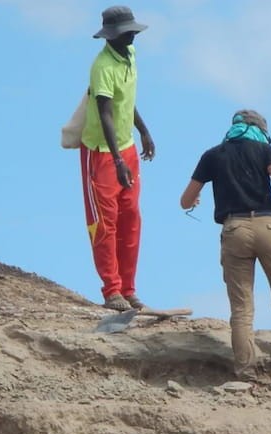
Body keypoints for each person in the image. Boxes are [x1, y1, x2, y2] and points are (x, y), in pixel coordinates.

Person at [179, 110, 271, 393]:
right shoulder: (265, 149)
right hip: (269, 225)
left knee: (242, 306)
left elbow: (185, 201)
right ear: (260, 129)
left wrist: (195, 197)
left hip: (234, 229)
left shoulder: (213, 155)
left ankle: (245, 374)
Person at [79, 6, 155, 312]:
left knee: (131, 219)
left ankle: (129, 288)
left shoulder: (130, 56)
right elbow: (106, 114)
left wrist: (144, 131)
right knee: (104, 223)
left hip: (125, 147)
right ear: (112, 36)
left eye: (133, 30)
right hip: (101, 152)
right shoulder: (102, 67)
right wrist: (117, 161)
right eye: (128, 31)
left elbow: (128, 101)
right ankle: (112, 290)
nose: (133, 35)